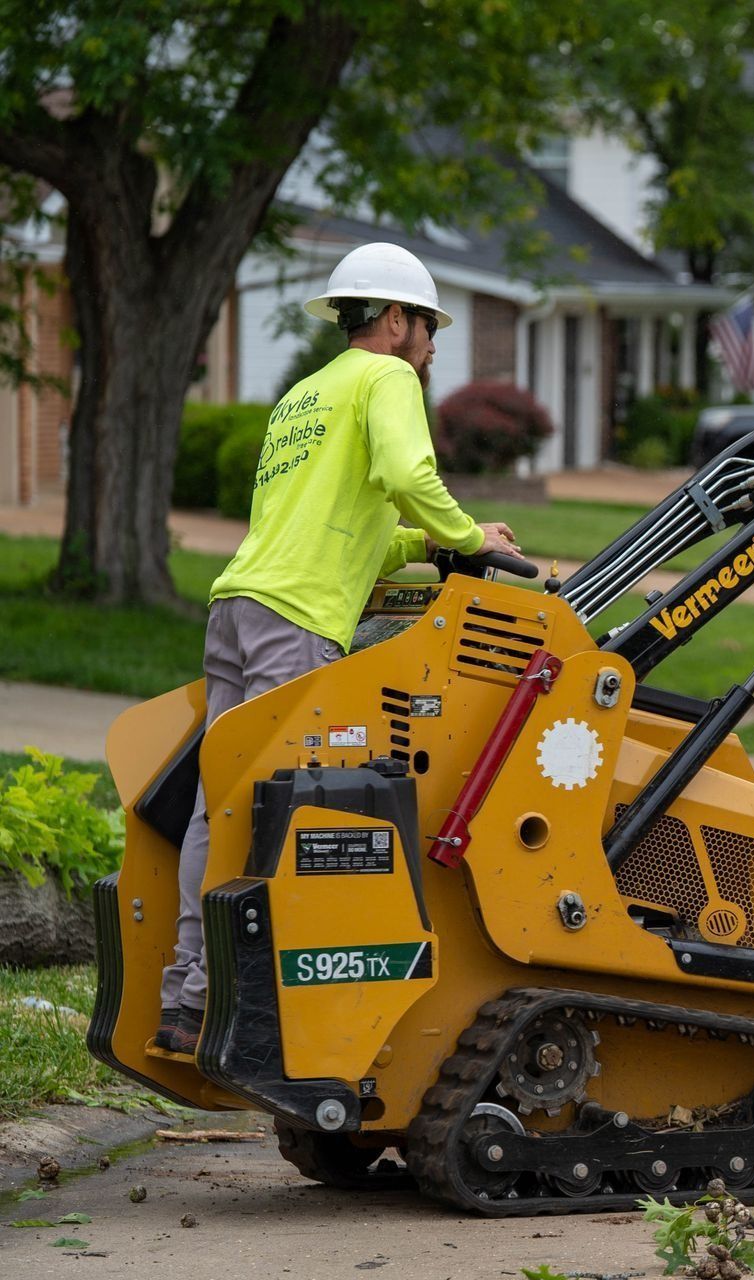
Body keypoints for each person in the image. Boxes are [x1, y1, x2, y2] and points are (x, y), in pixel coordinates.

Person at [156, 242, 521, 1053]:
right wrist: (471, 538)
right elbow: (406, 473)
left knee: (221, 809)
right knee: (293, 816)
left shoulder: (306, 395)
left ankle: (185, 1001)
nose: (431, 349)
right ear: (396, 320)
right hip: (297, 620)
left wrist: (425, 550)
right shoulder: (387, 378)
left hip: (239, 607)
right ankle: (253, 1006)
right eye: (428, 328)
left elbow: (340, 522)